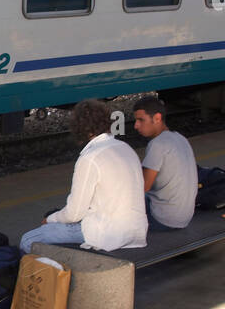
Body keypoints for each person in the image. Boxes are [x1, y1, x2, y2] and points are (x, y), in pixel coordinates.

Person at [19, 99, 148, 253]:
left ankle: (55, 274)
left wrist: (50, 220)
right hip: (137, 231)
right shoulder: (125, 148)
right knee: (58, 218)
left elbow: (74, 214)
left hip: (108, 234)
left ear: (79, 128)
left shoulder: (90, 158)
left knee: (27, 240)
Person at [131, 96, 198, 230]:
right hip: (184, 217)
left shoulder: (158, 144)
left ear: (157, 118)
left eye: (140, 120)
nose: (136, 125)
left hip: (163, 219)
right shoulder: (180, 138)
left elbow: (143, 187)